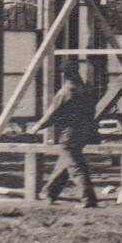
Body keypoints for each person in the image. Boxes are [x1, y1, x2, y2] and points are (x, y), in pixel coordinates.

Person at [28, 63, 102, 207]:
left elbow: (51, 115)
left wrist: (36, 127)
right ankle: (50, 193)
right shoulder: (84, 90)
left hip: (68, 134)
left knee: (76, 167)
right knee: (65, 163)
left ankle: (88, 200)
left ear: (64, 75)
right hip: (83, 132)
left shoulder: (65, 92)